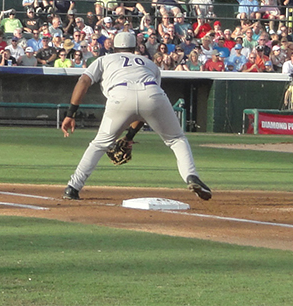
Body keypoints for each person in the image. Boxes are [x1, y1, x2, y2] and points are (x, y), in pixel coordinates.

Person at [60, 30, 210, 201]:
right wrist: (129, 136)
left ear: (114, 46)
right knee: (176, 139)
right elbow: (143, 109)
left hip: (120, 96)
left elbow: (83, 81)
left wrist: (71, 114)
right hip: (153, 95)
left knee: (99, 145)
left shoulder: (104, 59)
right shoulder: (149, 63)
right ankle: (191, 176)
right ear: (135, 47)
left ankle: (73, 187)